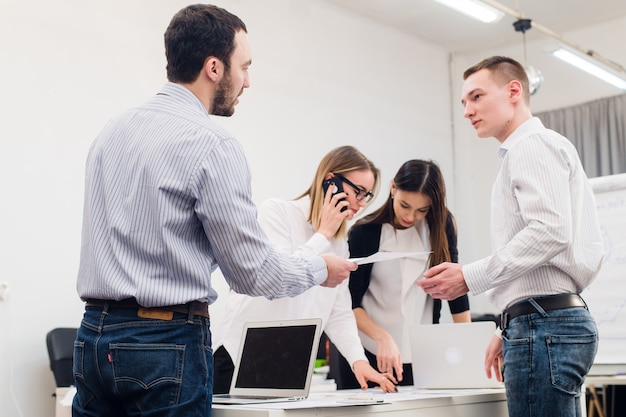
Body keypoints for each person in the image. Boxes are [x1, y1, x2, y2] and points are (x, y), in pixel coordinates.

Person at [73, 5, 356, 417]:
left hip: (93, 337)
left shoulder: (110, 132)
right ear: (213, 67)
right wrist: (320, 269)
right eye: (244, 66)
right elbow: (253, 274)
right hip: (164, 343)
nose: (247, 81)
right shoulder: (212, 144)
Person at [418, 56, 604, 417]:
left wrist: (469, 277)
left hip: (543, 325)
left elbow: (550, 230)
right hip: (542, 321)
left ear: (514, 91)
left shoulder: (529, 147)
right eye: (464, 103)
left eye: (477, 96)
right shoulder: (535, 148)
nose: (468, 110)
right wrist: (506, 325)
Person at [212, 145, 398, 394]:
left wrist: (358, 361)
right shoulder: (278, 212)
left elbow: (339, 312)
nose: (361, 204)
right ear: (330, 181)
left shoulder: (339, 244)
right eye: (358, 192)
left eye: (367, 196)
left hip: (289, 366)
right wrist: (323, 234)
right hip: (238, 358)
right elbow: (279, 279)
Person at [334, 159, 471, 389]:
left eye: (421, 210)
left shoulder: (441, 226)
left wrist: (470, 347)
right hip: (366, 353)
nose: (410, 216)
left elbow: (455, 289)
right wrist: (382, 337)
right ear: (393, 188)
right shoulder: (364, 232)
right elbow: (348, 302)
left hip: (420, 355)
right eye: (404, 205)